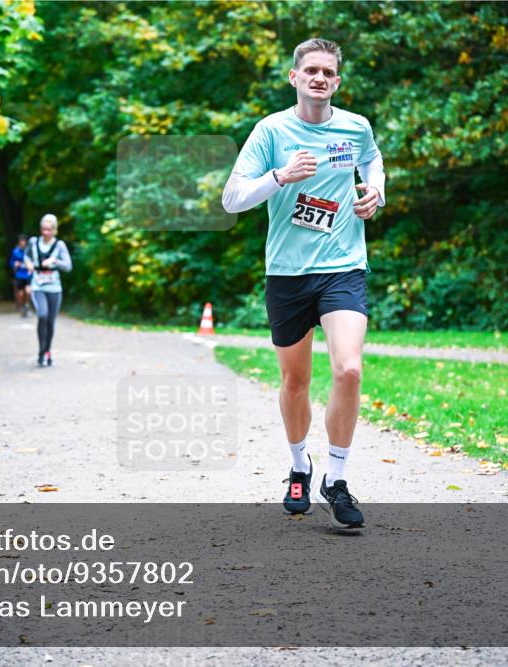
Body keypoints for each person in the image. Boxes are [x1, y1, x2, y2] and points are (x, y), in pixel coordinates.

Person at [222, 38, 386, 529]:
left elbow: (372, 160)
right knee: (295, 382)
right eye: (311, 70)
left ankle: (336, 479)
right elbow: (232, 198)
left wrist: (376, 191)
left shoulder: (355, 127)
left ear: (337, 81)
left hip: (343, 266)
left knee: (349, 369)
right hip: (287, 273)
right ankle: (299, 466)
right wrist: (280, 176)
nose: (319, 78)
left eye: (328, 72)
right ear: (294, 77)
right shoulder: (271, 130)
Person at [24, 214, 72, 367]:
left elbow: (68, 266)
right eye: (43, 229)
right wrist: (28, 264)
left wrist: (55, 261)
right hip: (38, 286)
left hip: (54, 288)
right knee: (42, 315)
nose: (46, 232)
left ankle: (47, 351)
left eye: (49, 230)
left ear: (54, 230)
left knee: (51, 322)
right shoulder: (33, 242)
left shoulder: (59, 245)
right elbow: (26, 256)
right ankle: (41, 351)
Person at [10, 234, 32, 317]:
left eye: (24, 241)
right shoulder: (15, 251)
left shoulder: (29, 251)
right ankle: (22, 306)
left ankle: (27, 306)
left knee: (28, 291)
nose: (23, 243)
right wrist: (15, 264)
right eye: (21, 241)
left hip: (28, 274)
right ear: (19, 242)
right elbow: (11, 262)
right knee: (21, 293)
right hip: (19, 275)